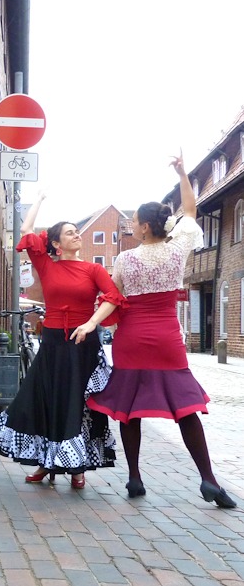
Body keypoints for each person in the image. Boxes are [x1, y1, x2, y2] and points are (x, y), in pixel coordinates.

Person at [87, 154, 237, 508]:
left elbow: (115, 297)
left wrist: (93, 320)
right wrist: (183, 173)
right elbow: (190, 211)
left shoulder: (125, 260)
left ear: (143, 228)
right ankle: (209, 479)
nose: (132, 226)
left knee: (129, 408)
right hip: (168, 337)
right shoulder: (178, 251)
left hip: (132, 338)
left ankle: (135, 478)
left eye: (134, 222)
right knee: (185, 407)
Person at [0, 190, 125, 488]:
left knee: (75, 402)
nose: (77, 235)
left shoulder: (94, 269)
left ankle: (76, 467)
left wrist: (91, 324)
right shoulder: (46, 265)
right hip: (52, 342)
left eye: (77, 232)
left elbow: (113, 298)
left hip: (82, 344)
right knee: (44, 399)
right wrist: (39, 200)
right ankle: (44, 463)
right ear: (56, 244)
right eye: (70, 233)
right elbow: (26, 231)